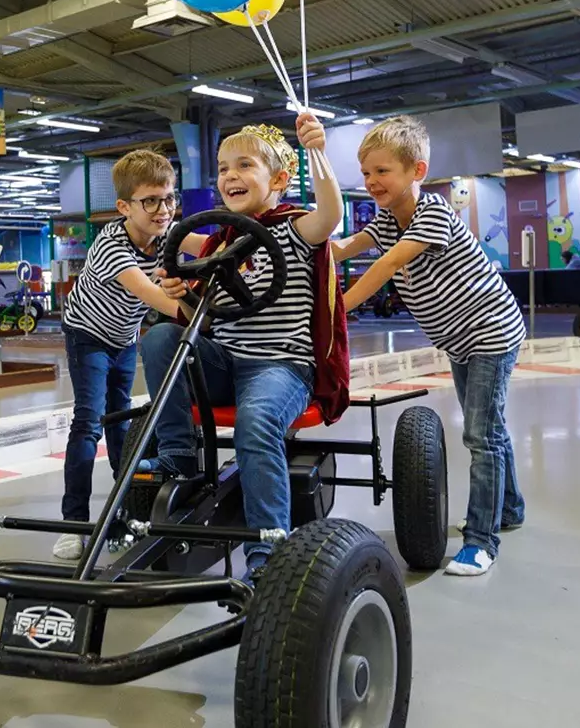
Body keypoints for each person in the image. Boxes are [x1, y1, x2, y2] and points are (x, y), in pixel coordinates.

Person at [138, 119, 347, 584]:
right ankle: (178, 456)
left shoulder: (295, 230)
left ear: (278, 180)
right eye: (222, 167)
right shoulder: (220, 244)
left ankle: (267, 551)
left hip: (281, 366)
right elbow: (205, 319)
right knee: (158, 338)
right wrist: (181, 292)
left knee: (257, 421)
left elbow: (330, 214)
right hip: (225, 360)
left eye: (244, 165)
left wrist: (316, 151)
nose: (229, 175)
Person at [331, 116, 526, 577]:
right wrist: (301, 242)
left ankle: (482, 540)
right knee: (490, 429)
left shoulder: (433, 212)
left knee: (481, 434)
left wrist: (334, 310)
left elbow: (384, 267)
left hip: (490, 332)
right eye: (366, 173)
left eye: (383, 172)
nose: (372, 182)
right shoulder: (385, 219)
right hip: (459, 339)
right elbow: (342, 249)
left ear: (416, 172)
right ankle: (510, 507)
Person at [53, 150, 206, 560]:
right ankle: (74, 523)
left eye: (170, 198)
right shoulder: (112, 247)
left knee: (120, 424)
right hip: (87, 335)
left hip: (123, 338)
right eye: (150, 201)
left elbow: (214, 243)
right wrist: (204, 303)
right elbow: (160, 300)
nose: (163, 210)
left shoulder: (167, 229)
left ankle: (120, 515)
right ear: (124, 207)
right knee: (89, 422)